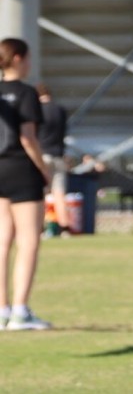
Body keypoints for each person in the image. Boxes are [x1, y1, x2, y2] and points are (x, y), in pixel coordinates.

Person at [0, 38, 52, 330]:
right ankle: (20, 310)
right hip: (21, 168)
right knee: (29, 240)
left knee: (2, 240)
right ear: (18, 59)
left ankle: (2, 309)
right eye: (28, 58)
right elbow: (27, 137)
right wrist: (44, 169)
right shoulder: (27, 93)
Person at [36, 84, 71, 237]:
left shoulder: (36, 110)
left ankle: (41, 228)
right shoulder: (60, 110)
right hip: (58, 155)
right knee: (59, 194)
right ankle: (64, 228)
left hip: (42, 155)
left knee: (40, 194)